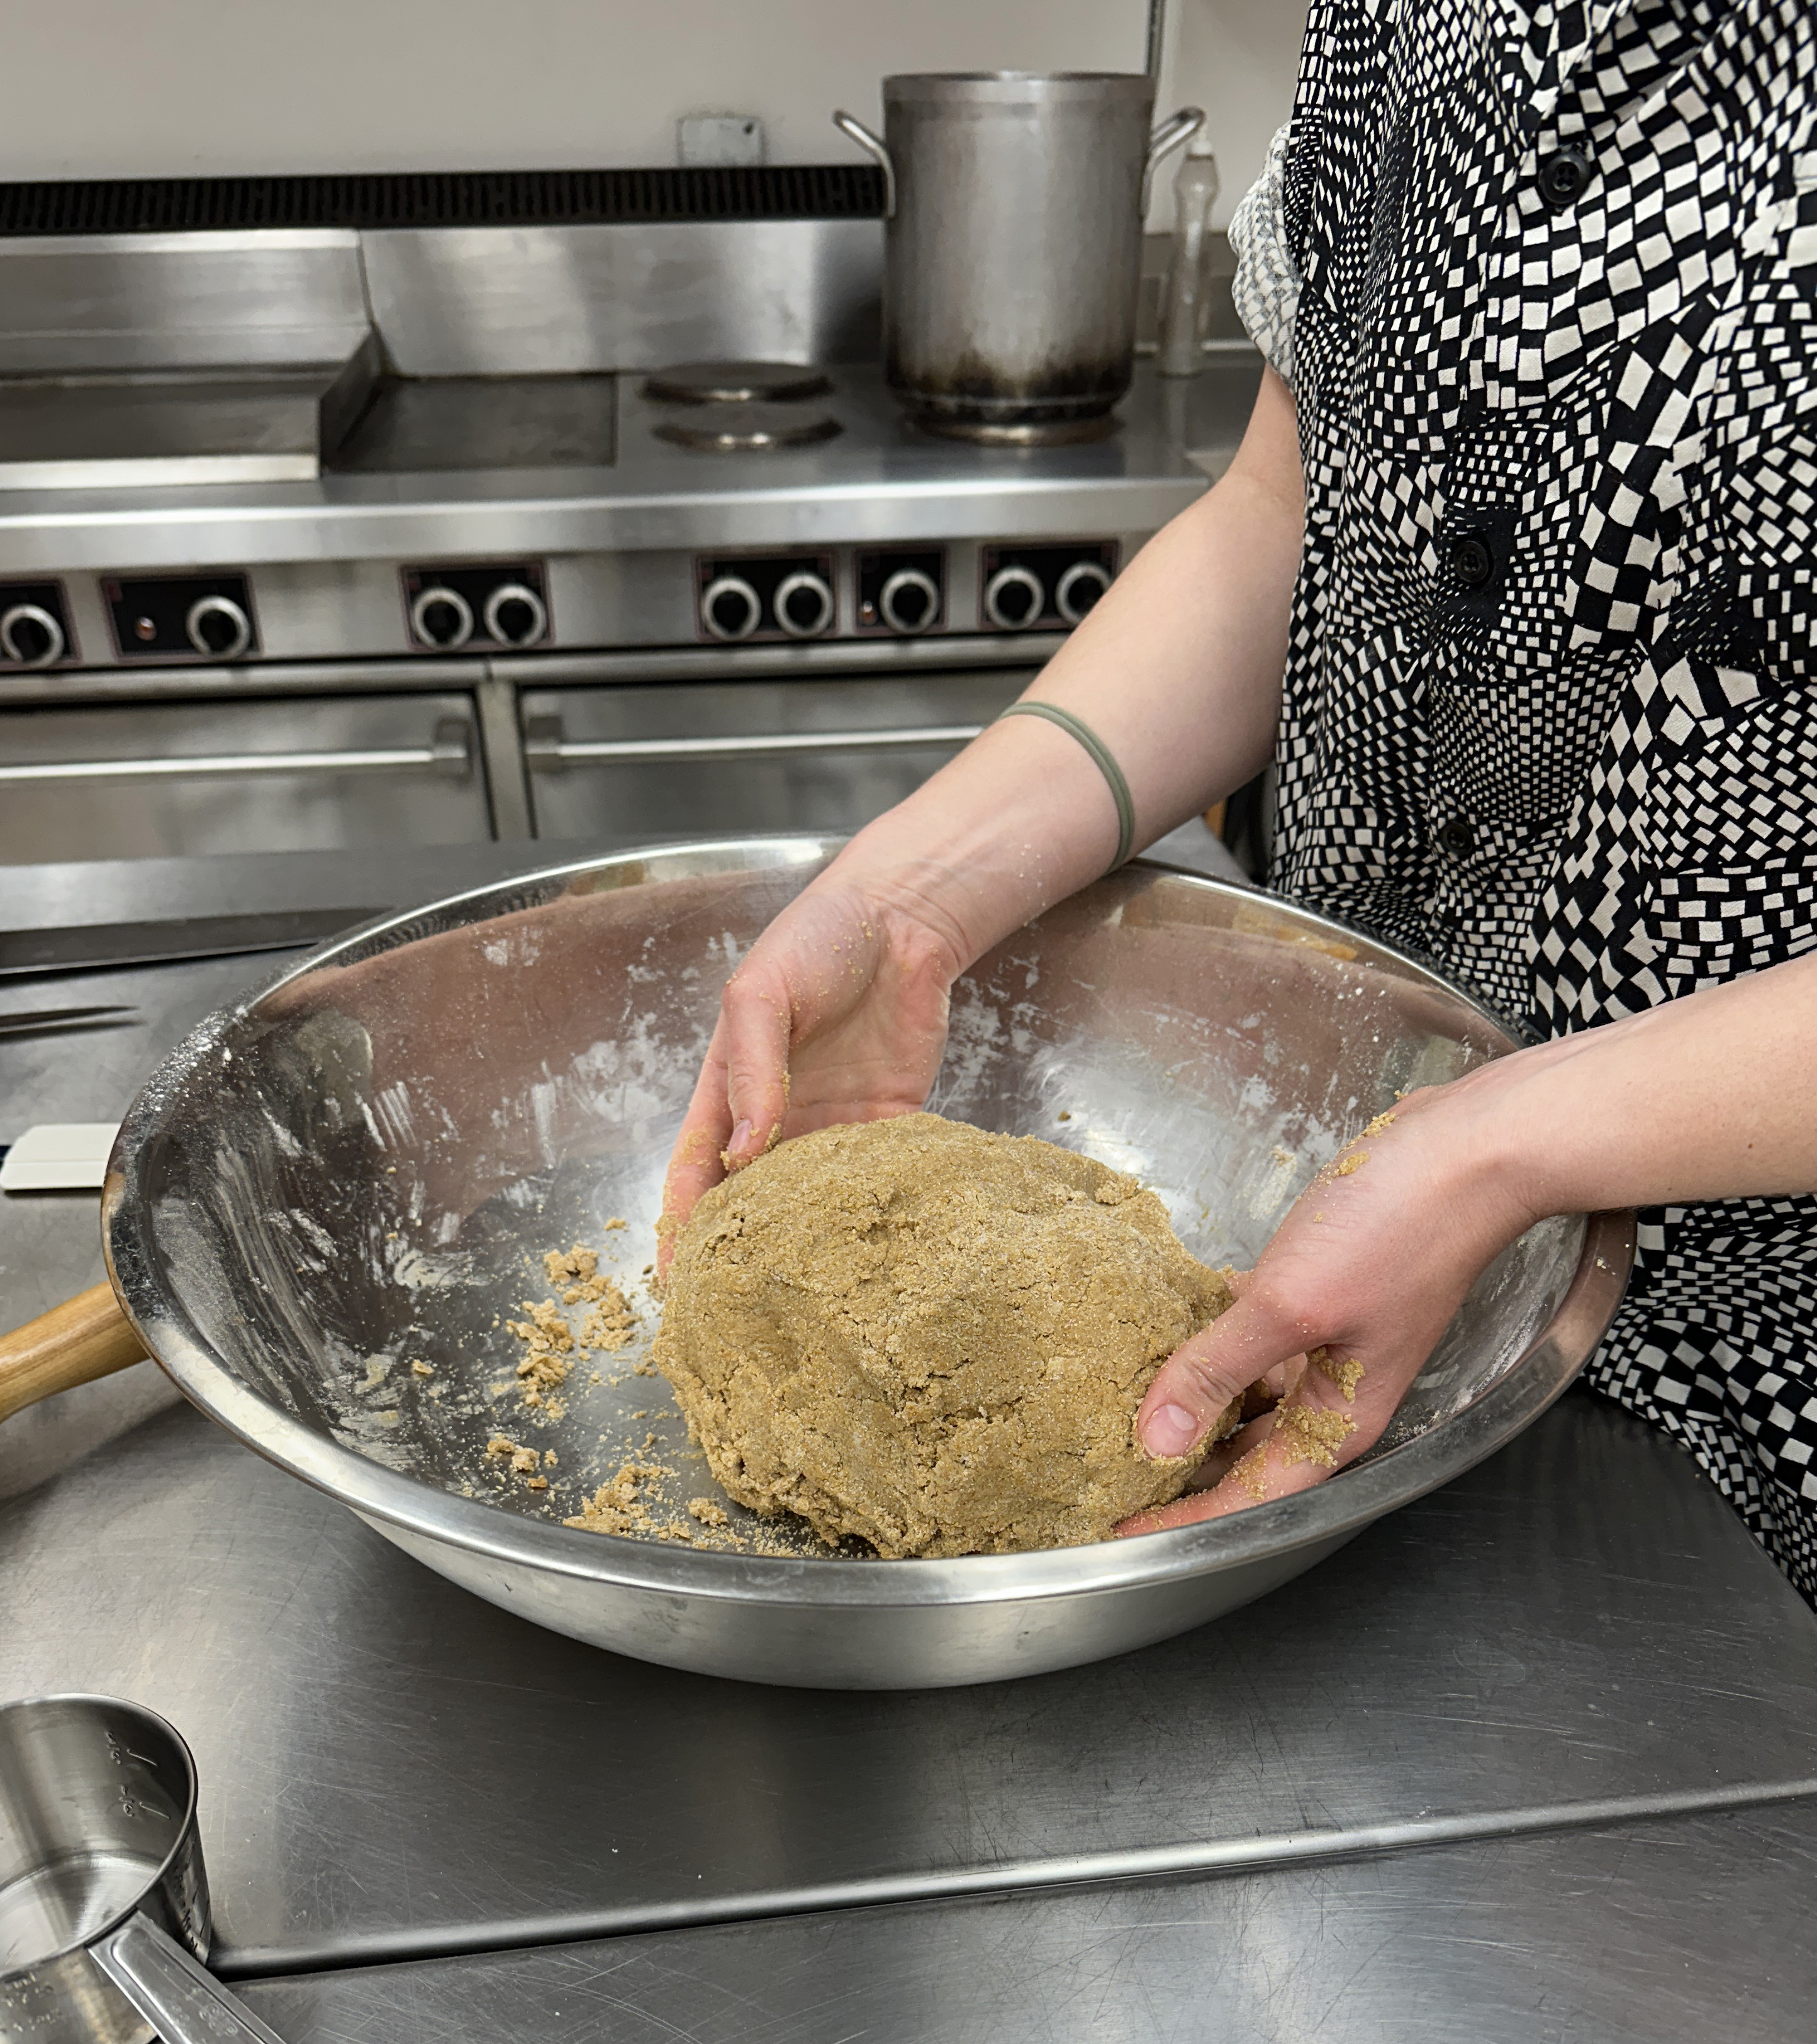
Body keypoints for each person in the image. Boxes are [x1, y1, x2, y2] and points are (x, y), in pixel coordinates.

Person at [663, 0, 1817, 1599]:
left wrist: (1492, 1152)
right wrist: (920, 894)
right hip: (1327, 1258)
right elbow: (1288, 514)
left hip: (1761, 1373)